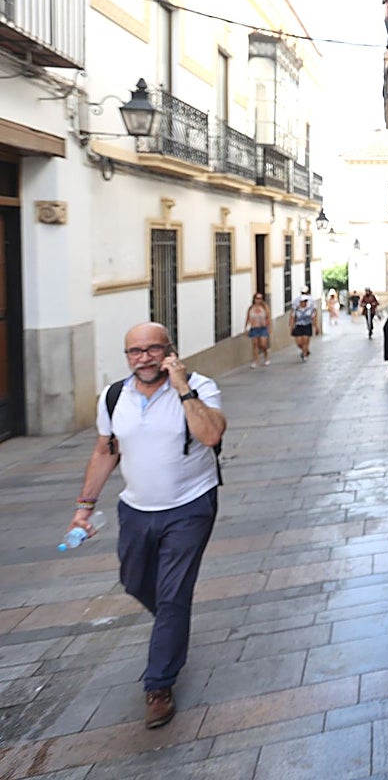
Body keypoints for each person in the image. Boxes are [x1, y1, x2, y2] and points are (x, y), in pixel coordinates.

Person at [66, 322, 225, 729]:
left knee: (172, 596)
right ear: (127, 357)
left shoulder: (200, 387)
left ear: (170, 350)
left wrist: (181, 387)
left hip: (190, 506)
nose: (144, 358)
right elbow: (106, 451)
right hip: (135, 509)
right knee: (135, 581)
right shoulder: (113, 396)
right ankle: (173, 623)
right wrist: (84, 507)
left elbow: (210, 435)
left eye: (153, 349)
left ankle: (159, 684)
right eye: (135, 351)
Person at [243, 292, 271, 368]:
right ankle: (255, 361)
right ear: (254, 299)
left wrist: (269, 327)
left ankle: (266, 355)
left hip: (263, 328)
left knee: (263, 344)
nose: (258, 300)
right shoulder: (251, 308)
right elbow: (248, 318)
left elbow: (268, 318)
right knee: (255, 345)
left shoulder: (265, 307)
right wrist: (246, 328)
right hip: (254, 328)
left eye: (260, 298)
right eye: (257, 298)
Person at [290, 295, 316, 360]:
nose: (303, 303)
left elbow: (313, 317)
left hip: (307, 325)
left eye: (305, 301)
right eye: (302, 301)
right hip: (298, 326)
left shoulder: (310, 309)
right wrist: (292, 326)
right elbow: (292, 317)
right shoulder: (296, 309)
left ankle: (304, 355)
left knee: (305, 341)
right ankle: (305, 350)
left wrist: (315, 326)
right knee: (299, 343)